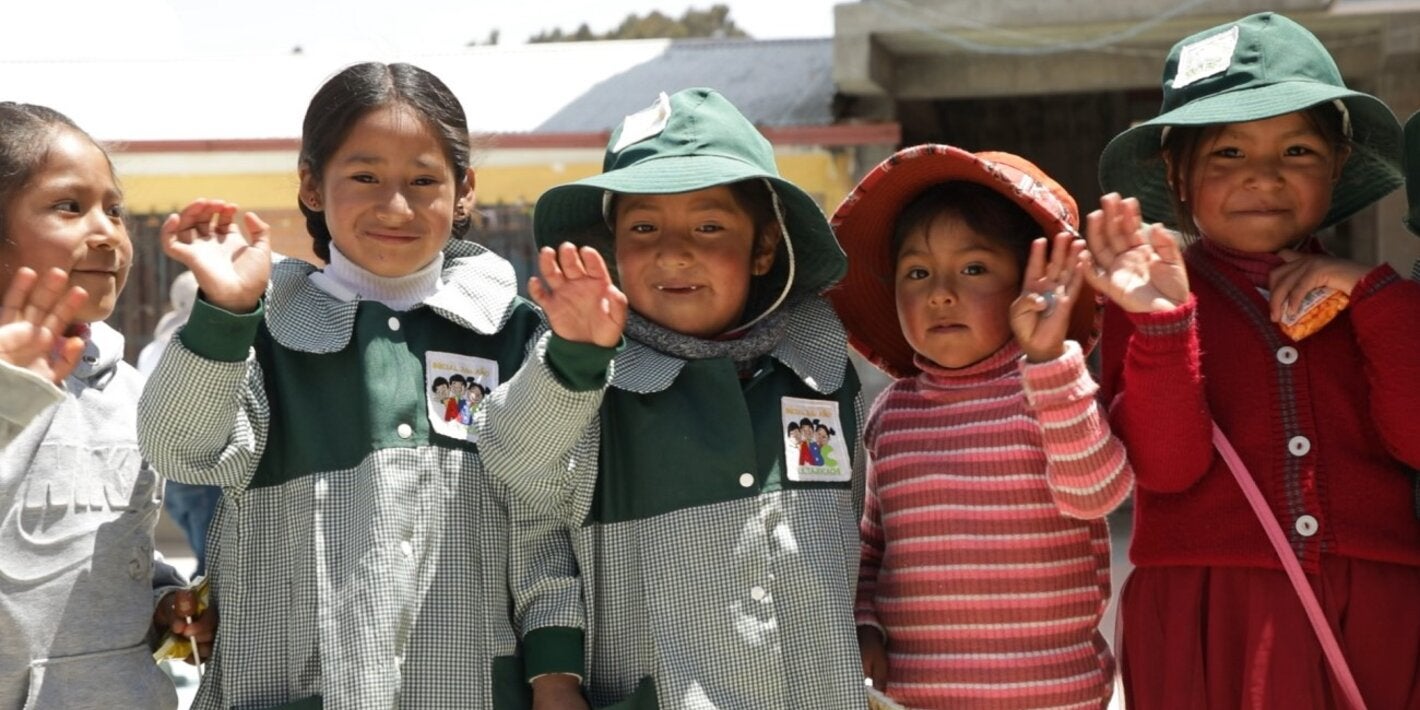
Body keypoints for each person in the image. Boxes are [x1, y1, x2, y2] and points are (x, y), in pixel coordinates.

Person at [136, 62, 622, 709]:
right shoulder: (265, 331)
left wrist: (554, 674)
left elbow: (541, 522)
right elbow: (178, 449)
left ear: (465, 190)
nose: (396, 205)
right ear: (311, 184)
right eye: (364, 177)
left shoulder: (513, 334)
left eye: (424, 180)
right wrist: (224, 314)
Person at [479, 88, 867, 709]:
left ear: (763, 246)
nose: (673, 250)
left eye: (709, 225)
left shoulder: (818, 374)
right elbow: (518, 477)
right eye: (643, 226)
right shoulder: (582, 375)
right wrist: (555, 675)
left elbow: (858, 522)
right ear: (612, 249)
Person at [1092, 13, 1420, 707]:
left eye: (1298, 152)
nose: (1265, 176)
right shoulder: (1146, 301)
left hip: (1377, 604)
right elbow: (1166, 467)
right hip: (1210, 611)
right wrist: (1162, 326)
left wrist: (1375, 296)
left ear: (1337, 169)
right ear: (1177, 177)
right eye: (1228, 154)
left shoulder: (1381, 297)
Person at [830, 144, 1134, 709]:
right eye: (917, 272)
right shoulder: (893, 415)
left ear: (1030, 284)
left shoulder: (1050, 391)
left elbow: (1098, 492)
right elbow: (872, 547)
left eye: (973, 268)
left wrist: (1047, 361)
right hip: (917, 696)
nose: (940, 292)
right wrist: (865, 621)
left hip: (1054, 696)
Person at [0, 102, 212, 710]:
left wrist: (161, 602)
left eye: (114, 210)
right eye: (70, 206)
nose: (107, 233)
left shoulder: (129, 392)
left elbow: (123, 549)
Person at [138, 270, 222, 578]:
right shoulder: (200, 344)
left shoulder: (152, 349)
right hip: (203, 469)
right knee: (213, 563)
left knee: (204, 551)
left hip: (165, 471)